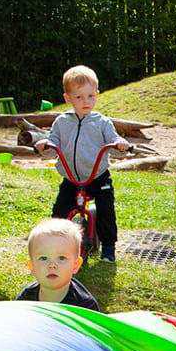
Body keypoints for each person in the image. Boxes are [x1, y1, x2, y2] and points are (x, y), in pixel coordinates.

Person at [36, 65, 130, 263]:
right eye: (79, 97)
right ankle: (57, 244)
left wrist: (120, 144)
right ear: (68, 98)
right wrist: (45, 144)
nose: (86, 101)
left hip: (98, 176)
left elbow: (113, 141)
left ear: (96, 94)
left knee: (106, 208)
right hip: (71, 177)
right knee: (59, 211)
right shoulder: (61, 122)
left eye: (90, 96)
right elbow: (53, 142)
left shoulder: (102, 122)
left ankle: (108, 247)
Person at [13, 218, 102, 310]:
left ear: (75, 265)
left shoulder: (85, 306)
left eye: (61, 258)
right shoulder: (26, 299)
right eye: (43, 258)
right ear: (32, 266)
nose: (52, 265)